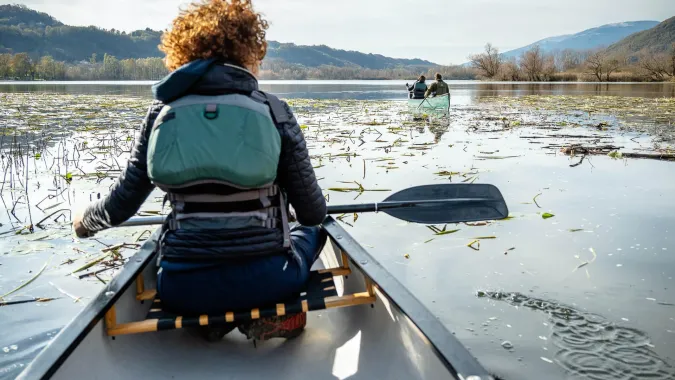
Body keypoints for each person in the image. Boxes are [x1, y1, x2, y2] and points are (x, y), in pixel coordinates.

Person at [72, 0, 327, 342]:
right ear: (250, 50)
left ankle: (210, 321)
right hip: (270, 280)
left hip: (182, 289)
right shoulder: (275, 111)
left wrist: (85, 222)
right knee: (319, 231)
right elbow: (312, 213)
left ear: (182, 51)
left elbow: (120, 206)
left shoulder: (162, 112)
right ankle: (265, 315)